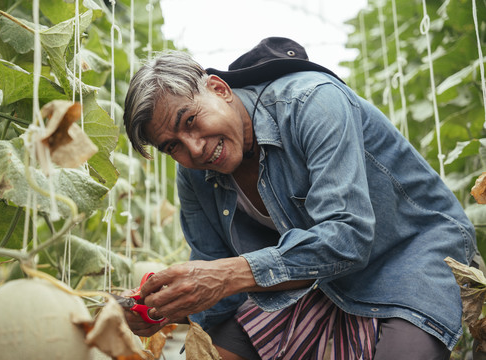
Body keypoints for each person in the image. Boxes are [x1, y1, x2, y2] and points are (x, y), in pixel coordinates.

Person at [121, 37, 477, 360]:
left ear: (219, 88)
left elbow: (348, 237)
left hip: (406, 253)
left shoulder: (312, 101)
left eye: (191, 120)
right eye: (172, 146)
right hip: (315, 276)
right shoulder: (195, 173)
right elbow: (214, 279)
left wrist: (226, 276)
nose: (194, 148)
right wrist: (166, 307)